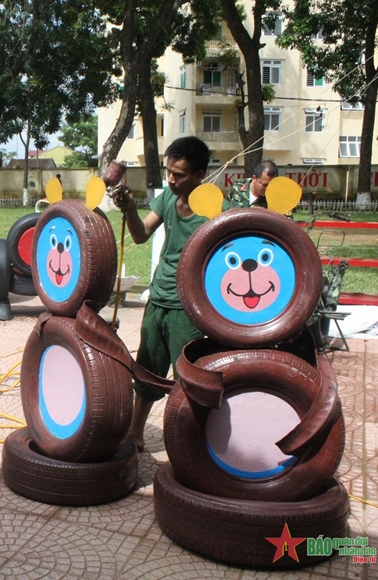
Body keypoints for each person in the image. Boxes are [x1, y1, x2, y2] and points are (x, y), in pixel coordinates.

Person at [109, 136, 228, 452]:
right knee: (146, 371)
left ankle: (193, 443)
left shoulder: (217, 211)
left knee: (189, 380)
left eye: (179, 174)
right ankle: (136, 433)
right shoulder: (165, 200)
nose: (171, 180)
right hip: (158, 298)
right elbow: (139, 234)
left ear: (200, 175)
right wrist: (130, 209)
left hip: (188, 309)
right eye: (168, 172)